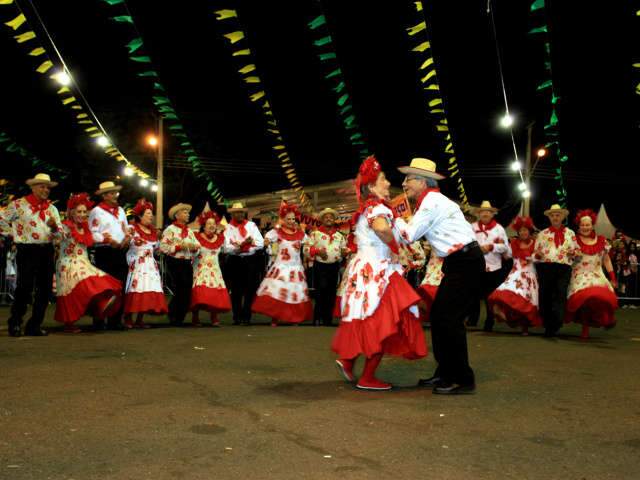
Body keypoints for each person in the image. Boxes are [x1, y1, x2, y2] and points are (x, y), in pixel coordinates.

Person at [332, 156, 427, 391]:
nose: (388, 183)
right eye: (383, 179)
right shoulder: (376, 207)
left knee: (372, 319)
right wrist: (395, 247)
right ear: (372, 187)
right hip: (377, 271)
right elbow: (382, 228)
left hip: (371, 270)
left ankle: (348, 361)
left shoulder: (375, 207)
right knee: (386, 321)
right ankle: (367, 376)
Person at [394, 157, 484, 395]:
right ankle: (445, 372)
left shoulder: (432, 201)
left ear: (423, 182)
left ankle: (463, 379)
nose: (404, 184)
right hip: (459, 262)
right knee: (439, 316)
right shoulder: (430, 201)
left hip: (465, 262)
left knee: (449, 320)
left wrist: (389, 216)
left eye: (408, 178)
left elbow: (410, 234)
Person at [0, 173, 61, 337]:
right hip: (27, 249)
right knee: (24, 287)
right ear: (33, 187)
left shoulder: (52, 209)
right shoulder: (18, 205)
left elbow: (60, 235)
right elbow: (2, 220)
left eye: (48, 187)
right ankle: (15, 322)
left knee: (45, 289)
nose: (46, 190)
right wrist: (12, 235)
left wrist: (55, 228)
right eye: (42, 186)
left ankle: (34, 325)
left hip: (46, 250)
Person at [53, 193, 122, 333]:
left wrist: (107, 239)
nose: (83, 214)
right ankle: (69, 323)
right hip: (68, 262)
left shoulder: (85, 228)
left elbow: (95, 237)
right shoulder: (66, 226)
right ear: (71, 212)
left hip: (83, 262)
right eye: (79, 211)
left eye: (85, 212)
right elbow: (58, 235)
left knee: (101, 279)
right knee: (83, 283)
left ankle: (101, 305)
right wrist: (54, 229)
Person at [252, 201, 313, 326]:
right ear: (283, 219)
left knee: (293, 293)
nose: (291, 221)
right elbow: (267, 240)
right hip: (281, 267)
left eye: (292, 218)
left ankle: (294, 317)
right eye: (288, 219)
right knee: (277, 291)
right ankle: (275, 317)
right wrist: (266, 242)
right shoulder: (276, 232)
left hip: (295, 268)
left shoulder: (301, 234)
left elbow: (308, 244)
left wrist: (310, 250)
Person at [565, 209, 618, 339]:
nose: (585, 227)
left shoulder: (602, 241)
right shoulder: (573, 241)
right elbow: (566, 258)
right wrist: (571, 255)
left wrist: (612, 277)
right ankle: (585, 329)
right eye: (583, 225)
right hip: (579, 276)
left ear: (592, 225)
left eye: (587, 225)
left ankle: (606, 319)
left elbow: (606, 260)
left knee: (600, 297)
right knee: (584, 302)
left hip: (597, 275)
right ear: (579, 226)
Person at [488, 216, 542, 335]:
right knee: (504, 291)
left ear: (529, 231)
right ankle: (503, 313)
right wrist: (498, 245)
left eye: (525, 230)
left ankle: (525, 327)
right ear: (518, 231)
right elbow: (506, 255)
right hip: (515, 274)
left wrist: (535, 257)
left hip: (529, 275)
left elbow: (539, 259)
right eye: (521, 230)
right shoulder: (513, 243)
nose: (523, 232)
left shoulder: (535, 243)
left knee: (527, 300)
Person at [88, 181, 131, 330]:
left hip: (120, 251)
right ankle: (99, 320)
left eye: (115, 193)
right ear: (104, 196)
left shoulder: (120, 210)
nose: (115, 196)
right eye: (112, 193)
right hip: (104, 251)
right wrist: (107, 240)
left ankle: (116, 319)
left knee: (121, 285)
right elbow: (92, 233)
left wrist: (127, 237)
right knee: (103, 287)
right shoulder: (96, 211)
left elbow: (126, 227)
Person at [534, 204, 578, 337]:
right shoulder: (543, 234)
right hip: (546, 267)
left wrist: (573, 253)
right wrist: (538, 255)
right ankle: (548, 325)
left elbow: (577, 250)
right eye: (552, 215)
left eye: (557, 215)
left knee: (560, 294)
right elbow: (535, 252)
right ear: (549, 218)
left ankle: (557, 321)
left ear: (563, 217)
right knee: (545, 296)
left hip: (563, 268)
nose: (555, 217)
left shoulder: (570, 233)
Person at [468, 201, 512, 332]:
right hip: (475, 265)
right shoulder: (472, 227)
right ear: (479, 214)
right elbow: (466, 242)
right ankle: (472, 319)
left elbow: (505, 247)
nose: (485, 213)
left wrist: (491, 246)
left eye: (488, 211)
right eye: (482, 211)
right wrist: (477, 248)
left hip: (493, 267)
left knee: (489, 296)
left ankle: (489, 320)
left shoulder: (499, 229)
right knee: (473, 293)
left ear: (492, 214)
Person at [123, 199, 167, 329]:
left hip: (150, 265)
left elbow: (158, 249)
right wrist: (127, 237)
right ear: (140, 216)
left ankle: (140, 319)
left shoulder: (153, 232)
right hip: (137, 263)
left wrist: (164, 243)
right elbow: (125, 243)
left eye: (151, 214)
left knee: (147, 288)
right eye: (148, 213)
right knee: (135, 288)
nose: (151, 216)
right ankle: (128, 317)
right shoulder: (132, 228)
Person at [223, 202, 264, 325]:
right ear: (232, 214)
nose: (240, 214)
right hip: (235, 261)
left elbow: (260, 242)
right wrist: (239, 248)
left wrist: (248, 246)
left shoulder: (251, 225)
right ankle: (237, 316)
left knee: (250, 289)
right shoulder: (227, 228)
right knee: (236, 290)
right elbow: (225, 247)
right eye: (237, 212)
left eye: (241, 212)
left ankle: (246, 316)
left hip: (249, 260)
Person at [305, 208, 347, 326]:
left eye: (331, 217)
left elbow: (343, 249)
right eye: (326, 217)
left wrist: (344, 253)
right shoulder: (315, 234)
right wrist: (318, 252)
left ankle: (328, 319)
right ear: (322, 220)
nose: (329, 219)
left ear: (334, 220)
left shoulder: (340, 236)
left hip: (334, 266)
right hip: (320, 266)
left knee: (331, 292)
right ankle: (317, 318)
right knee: (320, 292)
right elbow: (306, 249)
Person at [160, 203, 199, 326]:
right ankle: (173, 315)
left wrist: (194, 247)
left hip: (187, 262)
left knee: (186, 289)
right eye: (185, 212)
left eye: (188, 212)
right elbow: (163, 247)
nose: (188, 214)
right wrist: (178, 246)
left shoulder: (189, 231)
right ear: (177, 215)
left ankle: (179, 317)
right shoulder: (170, 230)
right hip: (174, 261)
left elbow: (198, 246)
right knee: (179, 288)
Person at [190, 211, 231, 327]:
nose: (212, 226)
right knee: (199, 292)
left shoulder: (220, 238)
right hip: (200, 268)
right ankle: (195, 316)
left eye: (213, 223)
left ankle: (214, 316)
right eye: (209, 223)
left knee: (215, 293)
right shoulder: (197, 237)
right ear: (204, 225)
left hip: (215, 270)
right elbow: (193, 252)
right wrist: (194, 249)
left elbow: (227, 250)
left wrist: (239, 244)